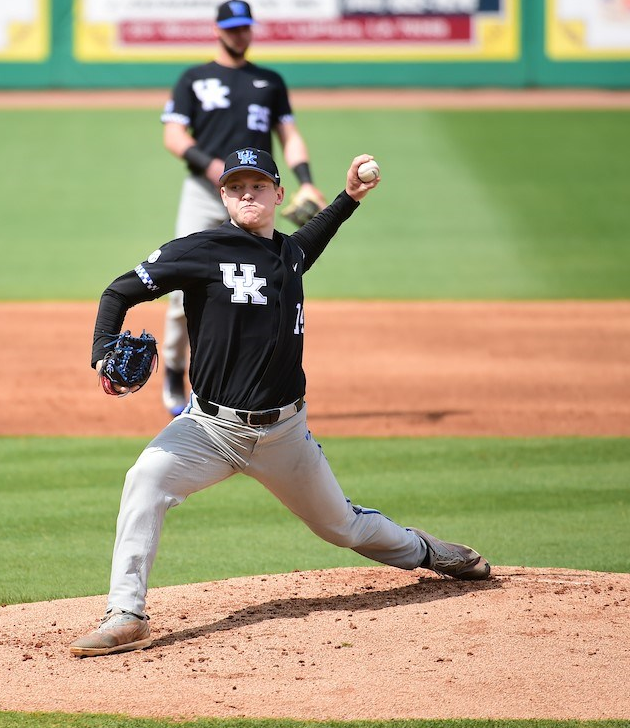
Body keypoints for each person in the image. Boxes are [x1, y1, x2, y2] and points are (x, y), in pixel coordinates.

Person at [70, 148, 491, 658]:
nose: (248, 195)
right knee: (145, 480)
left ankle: (427, 551)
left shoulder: (289, 254)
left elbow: (311, 240)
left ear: (278, 194)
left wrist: (350, 197)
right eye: (236, 187)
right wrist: (100, 354)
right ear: (223, 196)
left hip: (285, 434)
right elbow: (118, 292)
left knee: (344, 527)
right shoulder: (201, 249)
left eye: (258, 186)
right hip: (209, 429)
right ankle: (126, 614)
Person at [158, 0, 325, 416]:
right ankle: (174, 370)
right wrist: (219, 171)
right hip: (204, 194)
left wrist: (305, 181)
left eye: (245, 27)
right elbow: (175, 137)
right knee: (181, 292)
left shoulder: (269, 81)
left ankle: (253, 384)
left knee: (263, 289)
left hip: (255, 195)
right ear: (217, 30)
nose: (239, 34)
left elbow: (289, 135)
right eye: (231, 27)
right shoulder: (194, 79)